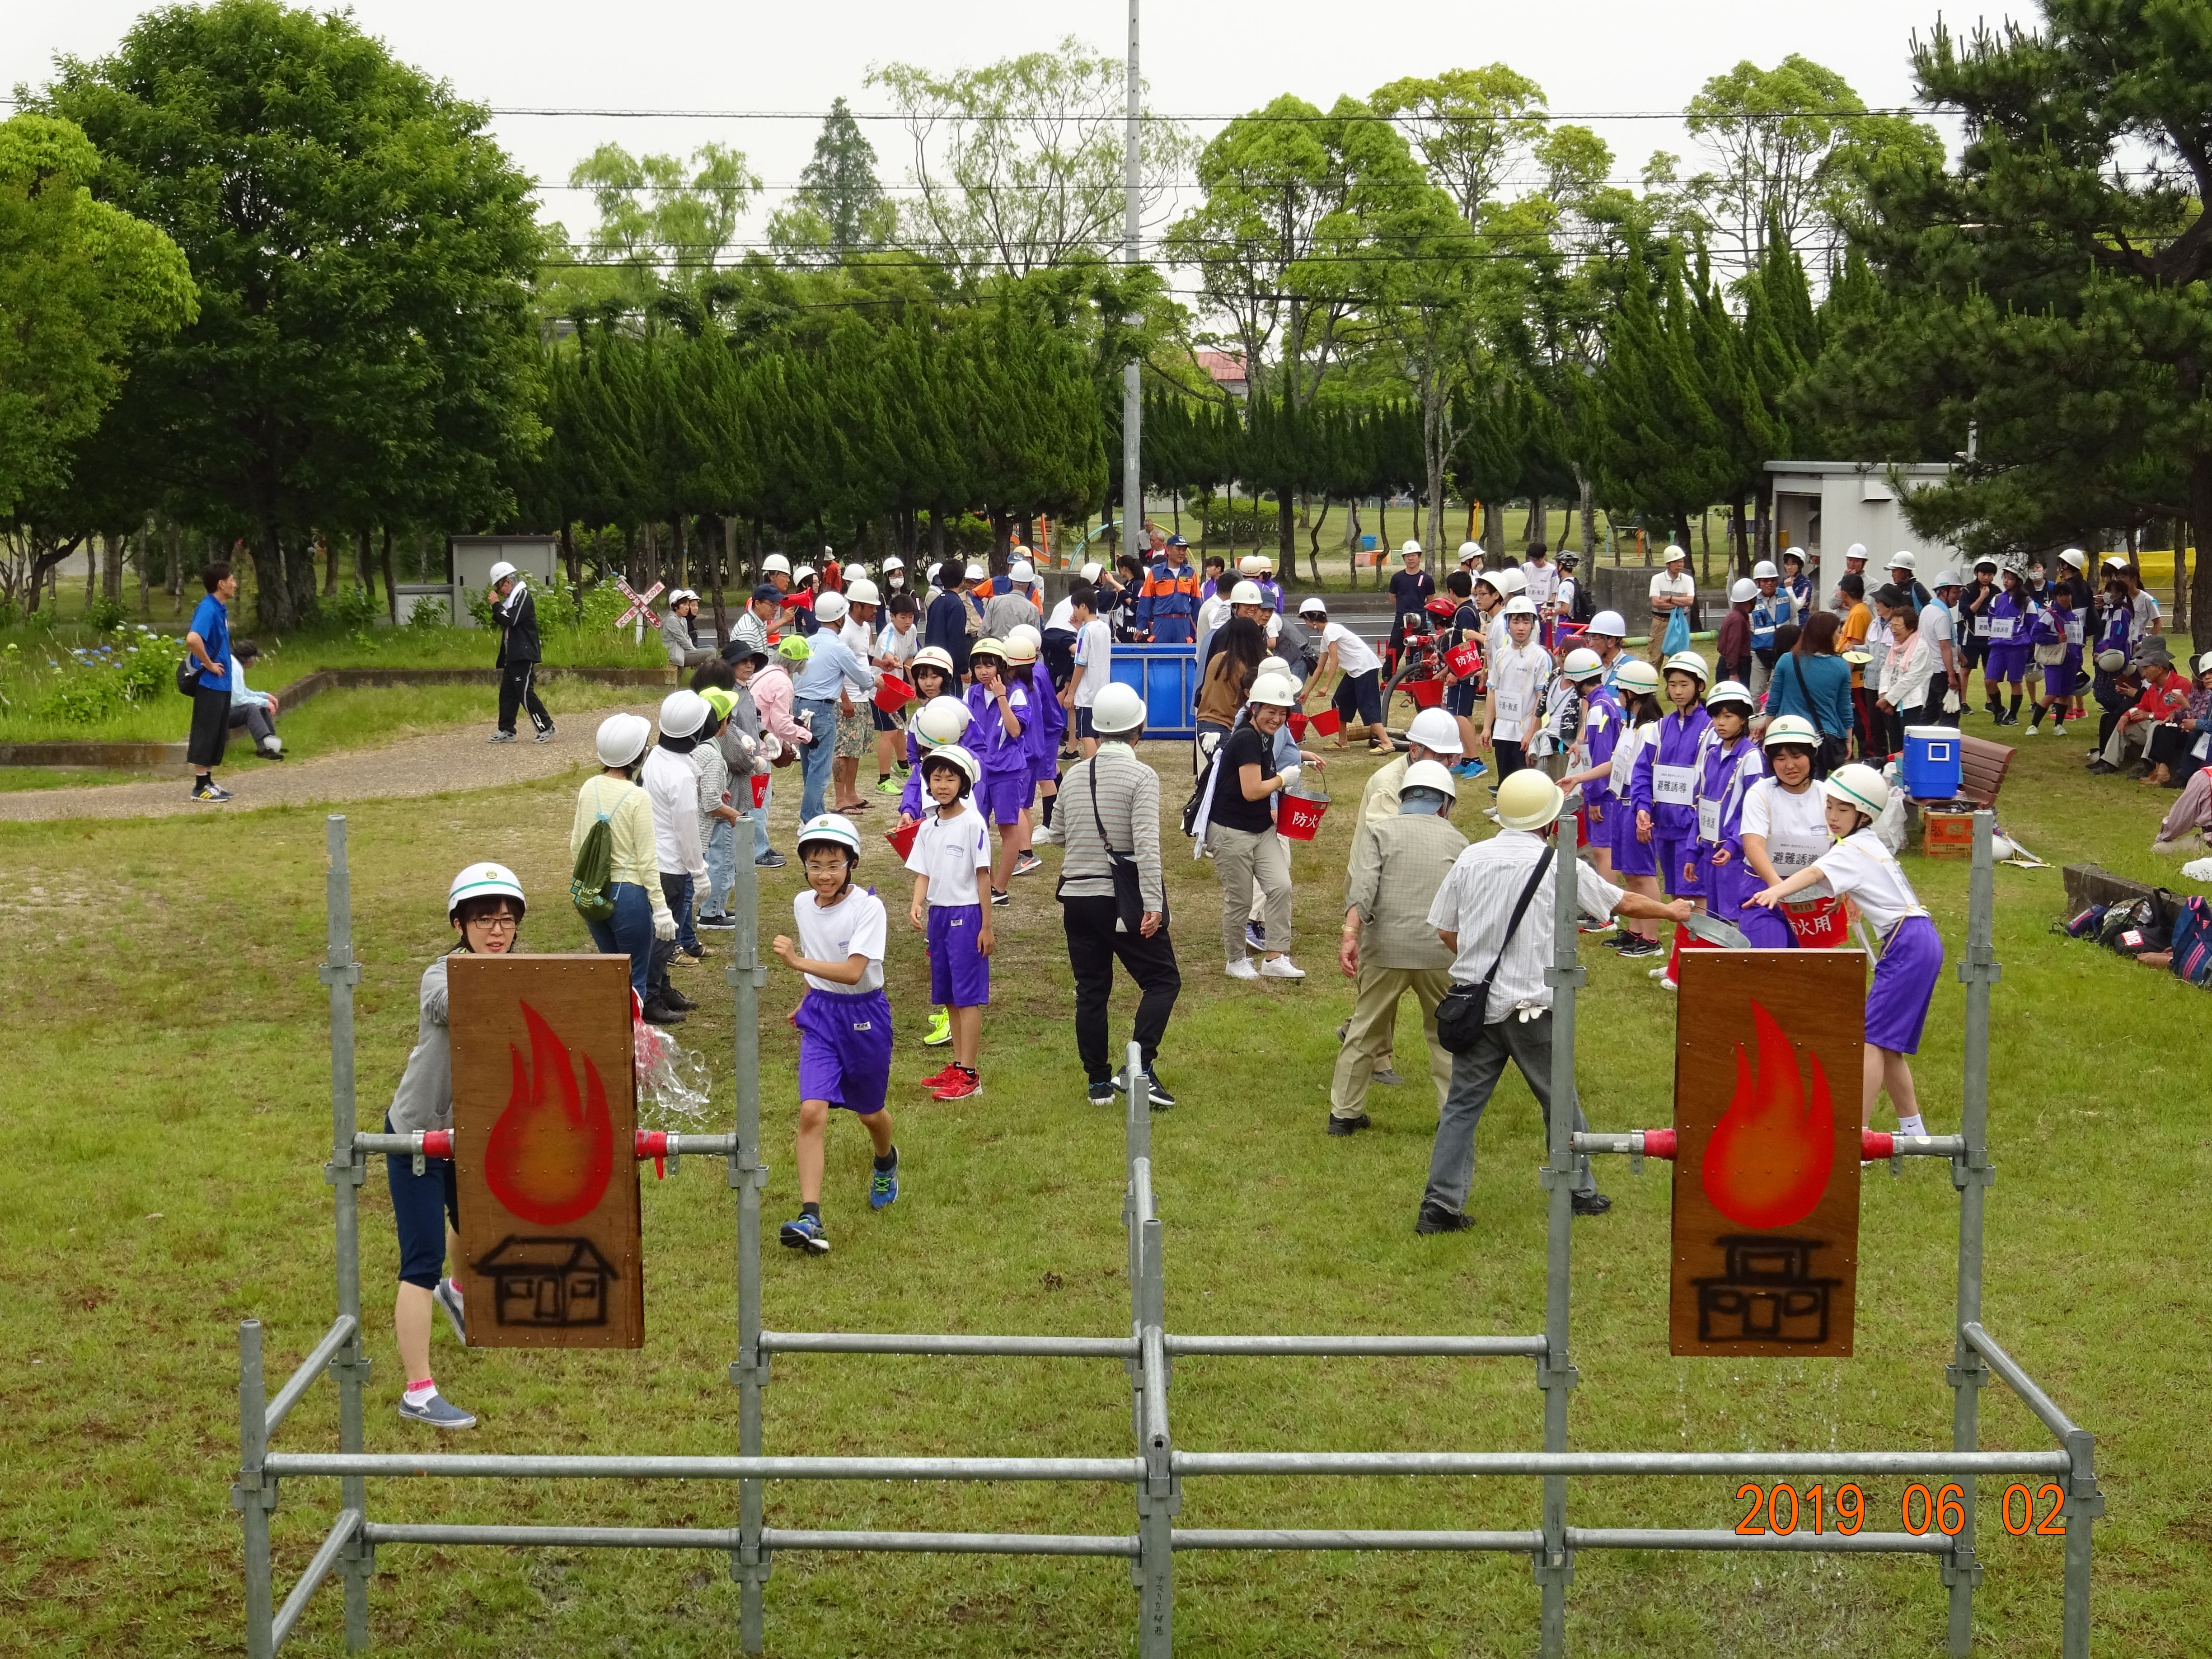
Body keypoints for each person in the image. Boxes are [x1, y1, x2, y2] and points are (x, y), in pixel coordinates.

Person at [1418, 769, 1693, 1234]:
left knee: (1462, 1109)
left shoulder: (1471, 858)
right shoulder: (1558, 862)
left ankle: (1439, 1206)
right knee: (1560, 1102)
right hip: (1532, 1006)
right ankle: (1579, 1190)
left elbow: (1445, 927)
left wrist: (1481, 970)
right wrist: (1670, 911)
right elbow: (1621, 902)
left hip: (1474, 1006)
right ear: (1549, 820)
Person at [382, 861, 531, 1429]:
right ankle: (417, 1391)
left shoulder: (524, 973)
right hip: (419, 1135)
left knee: (485, 1226)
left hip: (476, 1133)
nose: (497, 931)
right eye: (483, 920)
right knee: (418, 1262)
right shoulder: (440, 976)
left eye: (506, 920)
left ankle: (459, 1289)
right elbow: (461, 1008)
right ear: (459, 925)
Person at [1750, 765, 1944, 1134]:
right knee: (1887, 1044)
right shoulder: (1865, 843)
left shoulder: (1852, 848)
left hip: (1908, 942)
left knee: (1870, 1039)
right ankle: (1915, 1132)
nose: (1833, 817)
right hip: (1918, 939)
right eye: (1830, 807)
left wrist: (1775, 890)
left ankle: (1858, 1133)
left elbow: (1813, 875)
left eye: (1843, 810)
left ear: (1864, 815)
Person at [772, 814, 900, 1255]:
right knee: (811, 1112)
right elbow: (822, 960)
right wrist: (807, 999)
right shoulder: (802, 904)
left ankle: (885, 1159)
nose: (824, 874)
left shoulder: (869, 907)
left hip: (865, 1015)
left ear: (852, 864)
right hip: (822, 1018)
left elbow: (851, 971)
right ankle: (811, 1216)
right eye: (815, 865)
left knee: (871, 1114)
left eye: (834, 864)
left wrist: (796, 965)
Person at [1054, 682, 1181, 1104]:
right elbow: (1146, 845)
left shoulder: (1073, 775)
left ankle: (1097, 1083)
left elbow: (1057, 835)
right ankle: (1139, 1065)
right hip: (1119, 899)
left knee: (1091, 990)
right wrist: (1154, 903)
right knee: (1163, 980)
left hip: (1076, 897)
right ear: (1138, 728)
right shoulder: (1142, 775)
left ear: (1097, 728)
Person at [1331, 759, 1467, 1137]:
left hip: (1384, 950)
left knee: (1363, 1033)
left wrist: (1350, 935)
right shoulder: (1459, 841)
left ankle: (1343, 1115)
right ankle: (1453, 1118)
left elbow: (1364, 888)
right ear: (1445, 803)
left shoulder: (1381, 832)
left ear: (1406, 797)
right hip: (1439, 953)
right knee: (1446, 1036)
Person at [573, 714, 680, 1017]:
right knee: (635, 981)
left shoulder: (588, 787)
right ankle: (631, 1047)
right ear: (638, 754)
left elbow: (575, 846)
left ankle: (612, 1043)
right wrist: (661, 909)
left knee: (611, 974)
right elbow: (647, 860)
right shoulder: (637, 797)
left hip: (592, 894)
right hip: (628, 896)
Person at [1202, 672, 1307, 980]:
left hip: (1261, 829)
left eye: (1282, 712)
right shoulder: (1247, 738)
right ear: (1255, 708)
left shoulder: (1266, 736)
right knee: (1241, 899)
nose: (1277, 718)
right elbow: (1252, 791)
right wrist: (1283, 779)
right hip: (1231, 831)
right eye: (1270, 711)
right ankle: (1235, 960)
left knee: (1281, 886)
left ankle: (1275, 957)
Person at [905, 744, 994, 1101]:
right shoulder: (928, 828)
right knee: (951, 998)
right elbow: (923, 872)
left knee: (967, 997)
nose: (942, 785)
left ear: (964, 784)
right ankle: (958, 1065)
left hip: (967, 915)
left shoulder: (973, 823)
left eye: (950, 778)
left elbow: (983, 876)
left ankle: (970, 1075)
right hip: (939, 917)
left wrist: (987, 926)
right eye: (936, 778)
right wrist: (916, 903)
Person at [1682, 679, 1764, 985]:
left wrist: (1732, 844)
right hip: (1708, 851)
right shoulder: (1711, 753)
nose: (1721, 723)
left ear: (1744, 719)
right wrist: (1692, 850)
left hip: (1734, 855)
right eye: (1717, 716)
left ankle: (1741, 976)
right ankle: (1721, 976)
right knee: (1715, 917)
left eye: (1729, 716)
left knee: (1734, 917)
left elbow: (1751, 809)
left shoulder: (1751, 757)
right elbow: (1699, 804)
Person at [1737, 716, 1835, 949]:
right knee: (1772, 962)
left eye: (1797, 756)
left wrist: (1840, 886)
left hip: (1814, 895)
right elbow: (1753, 845)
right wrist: (1777, 889)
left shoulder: (1829, 795)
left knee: (1810, 971)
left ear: (1812, 756)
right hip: (1763, 890)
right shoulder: (1760, 793)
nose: (1789, 765)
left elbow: (1842, 846)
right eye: (1780, 758)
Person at [645, 690, 715, 998]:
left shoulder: (657, 757)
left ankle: (661, 986)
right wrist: (698, 872)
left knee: (660, 934)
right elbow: (686, 830)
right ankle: (652, 994)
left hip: (654, 858)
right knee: (663, 935)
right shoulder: (680, 776)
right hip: (671, 865)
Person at [1635, 651, 1713, 924]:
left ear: (1700, 686)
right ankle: (1683, 961)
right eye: (1673, 685)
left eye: (1685, 685)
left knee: (1697, 897)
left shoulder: (1712, 730)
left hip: (1694, 829)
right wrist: (1642, 809)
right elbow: (1643, 772)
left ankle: (1698, 957)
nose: (1678, 691)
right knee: (1677, 898)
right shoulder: (1659, 728)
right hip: (1664, 826)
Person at [789, 592, 876, 824]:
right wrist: (877, 680)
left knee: (809, 764)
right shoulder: (839, 648)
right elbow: (863, 680)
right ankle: (810, 818)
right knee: (821, 767)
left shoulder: (808, 642)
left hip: (798, 706)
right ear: (840, 618)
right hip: (821, 708)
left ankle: (815, 812)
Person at [1602, 660, 1666, 957]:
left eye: (1621, 691)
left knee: (1643, 874)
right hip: (1621, 801)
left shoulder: (1652, 730)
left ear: (1632, 694)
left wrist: (1644, 812)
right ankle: (1635, 930)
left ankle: (1651, 938)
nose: (1619, 697)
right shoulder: (1632, 725)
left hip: (1637, 805)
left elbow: (1646, 774)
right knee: (1630, 873)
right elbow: (1616, 764)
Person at [963, 638, 1032, 907]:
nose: (983, 671)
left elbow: (1015, 730)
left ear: (1001, 666)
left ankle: (999, 888)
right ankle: (984, 884)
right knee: (977, 829)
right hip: (978, 772)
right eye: (978, 666)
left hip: (1007, 771)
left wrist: (1001, 696)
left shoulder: (1015, 693)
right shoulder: (970, 694)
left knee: (1008, 828)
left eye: (989, 665)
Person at [686, 663, 745, 931]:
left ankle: (709, 911)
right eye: (728, 718)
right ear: (720, 723)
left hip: (688, 828)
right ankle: (710, 914)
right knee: (718, 862)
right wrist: (734, 814)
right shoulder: (712, 754)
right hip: (699, 832)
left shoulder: (691, 745)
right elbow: (711, 804)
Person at [1762, 611, 1855, 775]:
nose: (1840, 636)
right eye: (1838, 632)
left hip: (1788, 733)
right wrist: (1848, 739)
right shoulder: (1841, 667)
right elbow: (1844, 709)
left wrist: (1769, 735)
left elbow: (1773, 703)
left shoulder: (1787, 660)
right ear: (1827, 635)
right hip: (1823, 738)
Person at [1556, 648, 1620, 879]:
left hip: (1604, 794)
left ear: (1576, 680)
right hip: (1608, 789)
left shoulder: (1597, 709)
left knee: (1603, 852)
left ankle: (1605, 911)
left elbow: (1602, 757)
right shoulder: (1606, 702)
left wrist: (1594, 796)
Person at [1302, 596, 1393, 755]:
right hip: (1355, 671)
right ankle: (1342, 741)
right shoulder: (1326, 636)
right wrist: (1307, 691)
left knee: (1367, 705)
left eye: (1306, 620)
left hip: (1365, 668)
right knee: (1339, 702)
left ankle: (1386, 742)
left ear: (1313, 618)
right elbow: (1319, 668)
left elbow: (1335, 660)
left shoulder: (1331, 630)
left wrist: (1326, 686)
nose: (1307, 624)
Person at [1003, 627, 1061, 866]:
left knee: (1016, 803)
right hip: (1035, 746)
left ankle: (1025, 854)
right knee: (1024, 803)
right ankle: (1026, 851)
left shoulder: (1020, 686)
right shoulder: (1037, 673)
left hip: (1024, 750)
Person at [183, 560, 239, 801]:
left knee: (216, 733)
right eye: (232, 580)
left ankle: (208, 782)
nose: (235, 584)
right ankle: (199, 788)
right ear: (221, 584)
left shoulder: (219, 608)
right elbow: (193, 639)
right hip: (209, 683)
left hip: (221, 683)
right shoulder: (208, 609)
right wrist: (208, 664)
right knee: (206, 732)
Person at [2090, 642, 2189, 775]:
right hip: (2153, 728)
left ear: (2159, 668)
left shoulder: (2181, 684)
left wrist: (2150, 715)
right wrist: (2126, 716)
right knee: (2124, 723)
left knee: (2155, 725)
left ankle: (2147, 765)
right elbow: (2141, 706)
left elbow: (2176, 714)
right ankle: (2109, 762)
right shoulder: (2154, 688)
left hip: (2171, 731)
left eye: (2147, 668)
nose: (2143, 672)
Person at [1481, 595, 1550, 781]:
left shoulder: (1540, 656)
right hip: (1503, 730)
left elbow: (1541, 698)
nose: (1521, 628)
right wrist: (1487, 727)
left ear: (1533, 625)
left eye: (1526, 622)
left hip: (1525, 732)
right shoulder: (1501, 654)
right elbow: (1492, 690)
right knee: (1504, 780)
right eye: (1516, 621)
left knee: (1525, 784)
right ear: (1508, 624)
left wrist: (1531, 733)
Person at [1359, 707, 1467, 822]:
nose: (1447, 763)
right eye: (1439, 755)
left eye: (1451, 755)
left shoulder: (1433, 778)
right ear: (1414, 751)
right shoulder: (1388, 787)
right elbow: (1383, 836)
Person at [487, 560, 553, 745]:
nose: (499, 591)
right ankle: (507, 730)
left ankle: (546, 726)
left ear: (507, 582)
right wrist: (498, 607)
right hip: (513, 655)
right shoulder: (510, 601)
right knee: (507, 693)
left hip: (524, 654)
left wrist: (496, 605)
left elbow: (511, 620)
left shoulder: (522, 596)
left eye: (499, 586)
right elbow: (502, 618)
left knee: (525, 692)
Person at [1195, 615, 1267, 770]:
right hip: (1224, 726)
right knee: (1234, 777)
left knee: (1218, 775)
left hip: (1204, 723)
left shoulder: (1217, 658)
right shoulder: (1243, 668)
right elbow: (1246, 704)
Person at [872, 590, 922, 795]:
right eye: (903, 617)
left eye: (911, 617)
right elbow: (888, 653)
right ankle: (883, 780)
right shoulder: (888, 634)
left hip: (898, 689)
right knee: (889, 733)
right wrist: (892, 660)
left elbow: (910, 658)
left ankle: (902, 765)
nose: (908, 622)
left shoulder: (911, 632)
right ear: (892, 617)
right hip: (881, 689)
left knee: (901, 727)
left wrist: (914, 685)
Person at [2024, 582, 2085, 737]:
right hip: (2055, 660)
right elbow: (2036, 635)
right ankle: (2033, 725)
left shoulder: (2075, 617)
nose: (2065, 598)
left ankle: (2059, 725)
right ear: (2056, 597)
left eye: (2067, 595)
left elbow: (2078, 641)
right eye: (2061, 595)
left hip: (2072, 660)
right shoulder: (2049, 616)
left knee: (2066, 694)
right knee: (2052, 693)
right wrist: (2056, 639)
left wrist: (2079, 659)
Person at [1063, 583, 1111, 759]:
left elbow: (1081, 663)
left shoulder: (1086, 631)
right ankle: (1105, 763)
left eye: (1075, 608)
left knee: (1085, 734)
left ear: (1083, 606)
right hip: (1101, 690)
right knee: (1098, 734)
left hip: (1087, 694)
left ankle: (1096, 767)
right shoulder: (1104, 627)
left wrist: (1071, 692)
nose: (1074, 613)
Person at [1747, 560, 1801, 698]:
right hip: (1759, 652)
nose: (1769, 584)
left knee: (1778, 689)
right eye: (1765, 581)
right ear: (1757, 582)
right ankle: (1754, 719)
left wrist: (1794, 640)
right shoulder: (1751, 600)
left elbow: (1794, 617)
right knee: (1756, 692)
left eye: (1773, 580)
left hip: (1783, 651)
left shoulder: (1786, 596)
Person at [226, 639, 283, 759]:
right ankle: (265, 749)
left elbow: (243, 692)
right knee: (251, 709)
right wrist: (265, 702)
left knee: (259, 706)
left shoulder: (235, 665)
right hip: (222, 714)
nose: (255, 661)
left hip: (227, 709)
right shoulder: (234, 669)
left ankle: (271, 744)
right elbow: (238, 700)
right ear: (246, 659)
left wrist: (264, 696)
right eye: (254, 658)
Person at [1137, 541, 1200, 644]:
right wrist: (1141, 626)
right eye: (1178, 549)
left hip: (1182, 623)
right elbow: (1145, 600)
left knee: (1182, 657)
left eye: (1184, 550)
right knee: (1161, 656)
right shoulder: (1155, 572)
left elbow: (1197, 602)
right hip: (1162, 623)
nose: (1182, 553)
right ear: (1169, 550)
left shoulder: (1191, 573)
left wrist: (1199, 626)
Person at [1647, 545, 1695, 661]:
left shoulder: (1688, 580)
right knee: (1655, 659)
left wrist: (1669, 598)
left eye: (1681, 562)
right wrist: (1680, 602)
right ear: (1668, 564)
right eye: (1676, 562)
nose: (1680, 564)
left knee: (1679, 659)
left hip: (1680, 622)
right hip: (1661, 622)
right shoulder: (1657, 579)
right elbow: (1656, 602)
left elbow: (1690, 601)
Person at [1387, 541, 1435, 654]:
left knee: (1418, 654)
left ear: (1419, 558)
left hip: (1419, 620)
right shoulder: (1397, 578)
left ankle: (1415, 672)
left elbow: (1430, 600)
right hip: (1401, 620)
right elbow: (1392, 597)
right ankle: (1390, 672)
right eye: (1407, 556)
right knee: (1393, 653)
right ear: (1404, 559)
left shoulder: (1426, 579)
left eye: (1413, 556)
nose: (1410, 559)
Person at [1716, 578, 1756, 684]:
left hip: (1732, 665)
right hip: (1737, 666)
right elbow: (1733, 646)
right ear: (1752, 600)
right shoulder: (1738, 620)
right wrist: (1733, 673)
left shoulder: (1734, 616)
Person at [661, 591, 714, 669]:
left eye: (688, 605)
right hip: (675, 655)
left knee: (713, 650)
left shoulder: (683, 619)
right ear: (676, 606)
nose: (687, 608)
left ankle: (703, 678)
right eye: (684, 605)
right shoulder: (671, 620)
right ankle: (706, 678)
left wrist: (695, 652)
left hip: (683, 652)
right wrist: (695, 652)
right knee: (711, 653)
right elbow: (682, 640)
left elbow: (687, 638)